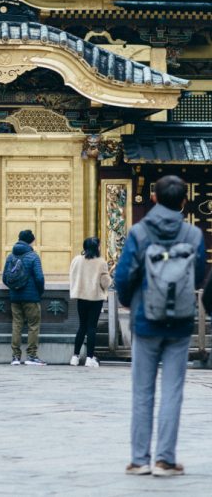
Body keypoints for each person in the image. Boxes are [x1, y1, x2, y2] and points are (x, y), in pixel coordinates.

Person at [115, 175, 205, 478]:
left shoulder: (139, 232)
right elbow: (199, 274)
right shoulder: (192, 234)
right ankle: (165, 460)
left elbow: (124, 275)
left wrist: (131, 302)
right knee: (172, 391)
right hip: (179, 323)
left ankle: (140, 459)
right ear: (183, 201)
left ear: (153, 198)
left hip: (145, 319)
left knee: (142, 391)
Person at [69, 237, 111, 367]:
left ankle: (75, 357)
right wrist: (110, 281)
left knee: (82, 326)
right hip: (95, 297)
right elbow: (105, 282)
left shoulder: (76, 260)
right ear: (96, 247)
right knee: (92, 327)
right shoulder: (101, 262)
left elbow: (72, 275)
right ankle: (89, 357)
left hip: (81, 296)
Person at [8, 229, 46, 366]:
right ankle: (31, 356)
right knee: (33, 326)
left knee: (16, 325)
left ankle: (15, 357)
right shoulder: (33, 256)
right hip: (31, 297)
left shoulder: (10, 256)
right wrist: (39, 292)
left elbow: (5, 278)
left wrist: (14, 287)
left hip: (15, 297)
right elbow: (39, 277)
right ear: (31, 241)